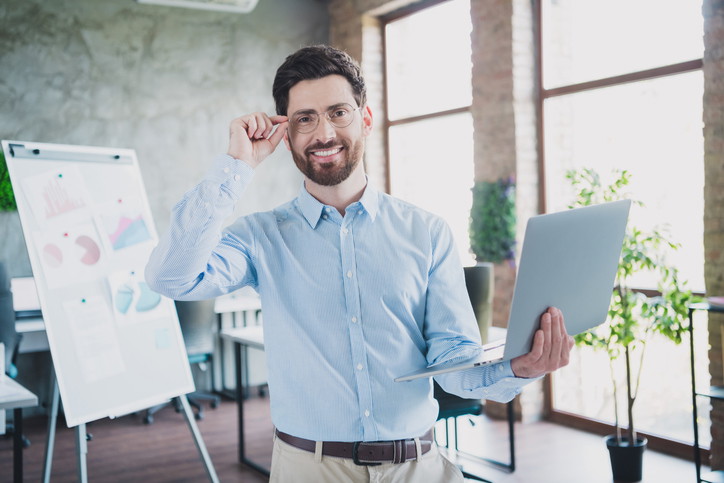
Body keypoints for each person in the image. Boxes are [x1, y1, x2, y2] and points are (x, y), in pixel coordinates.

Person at [146, 44, 574, 482]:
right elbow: (169, 277)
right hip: (308, 470)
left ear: (365, 119)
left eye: (338, 112)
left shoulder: (426, 232)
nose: (323, 133)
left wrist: (520, 368)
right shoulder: (260, 238)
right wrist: (237, 166)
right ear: (287, 134)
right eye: (304, 119)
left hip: (418, 467)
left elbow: (454, 367)